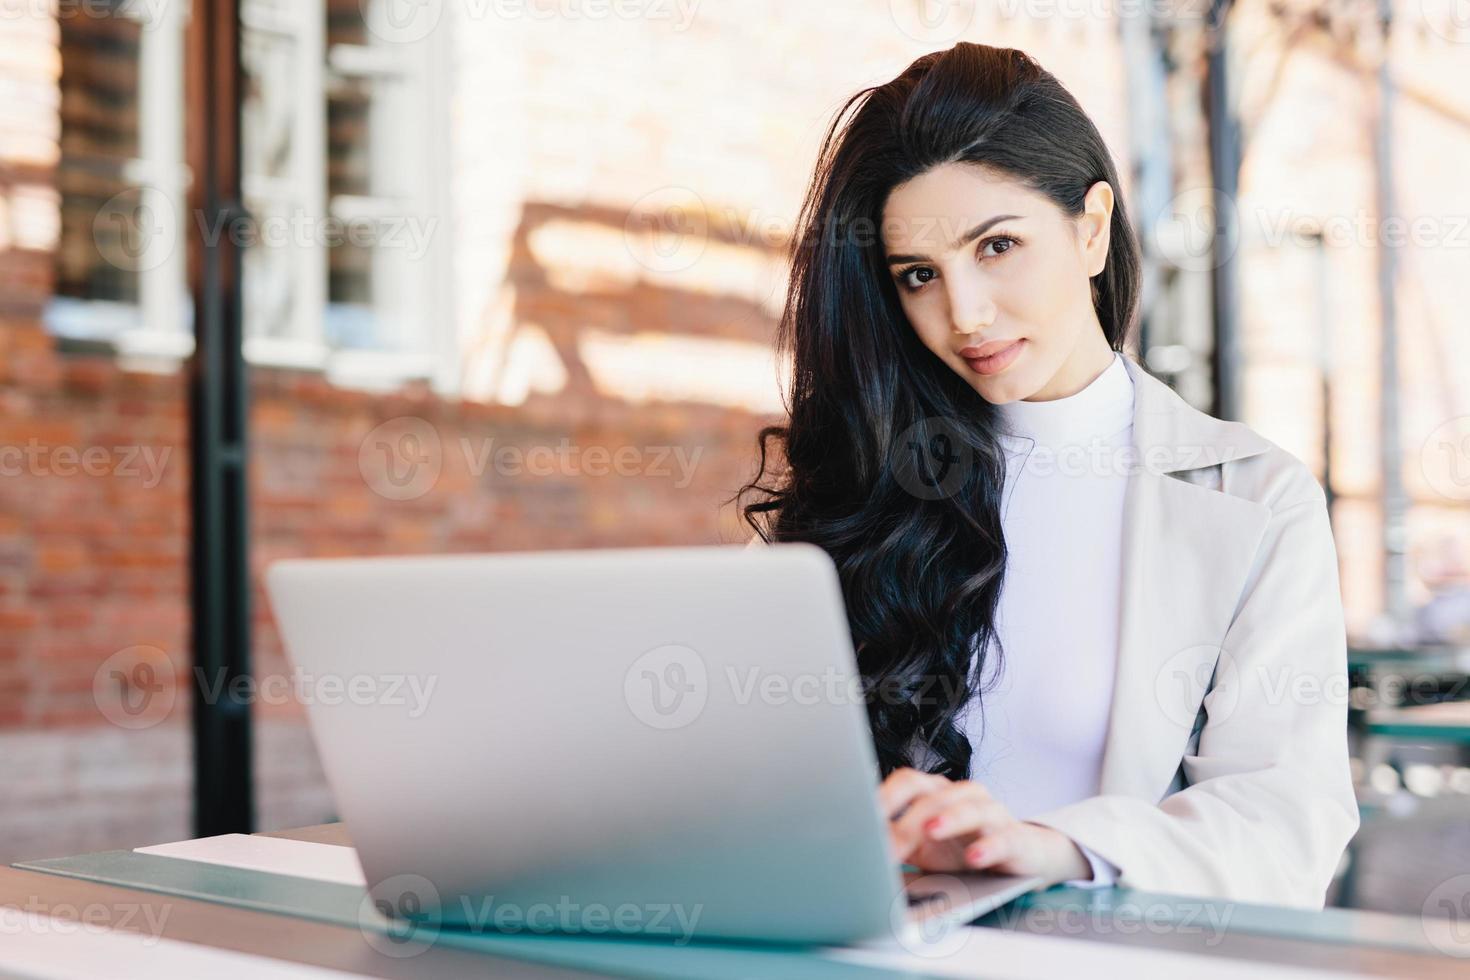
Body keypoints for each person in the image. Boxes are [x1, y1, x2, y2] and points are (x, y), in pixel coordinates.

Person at [738, 41, 1358, 909]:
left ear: (1093, 228)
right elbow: (758, 786)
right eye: (919, 275)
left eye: (996, 246)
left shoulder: (1253, 496)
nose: (964, 314)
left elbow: (1285, 817)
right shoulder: (867, 488)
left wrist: (1051, 845)